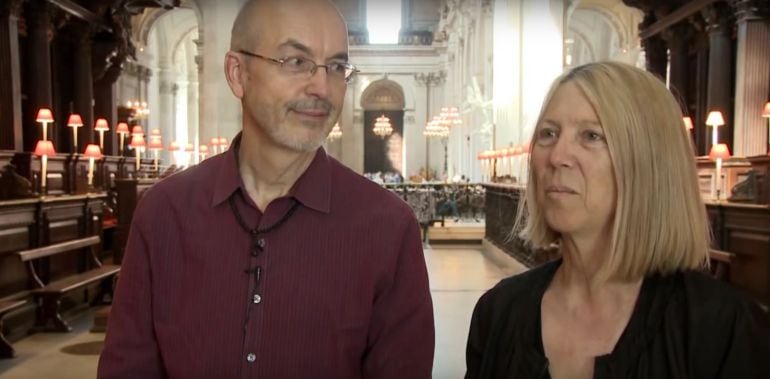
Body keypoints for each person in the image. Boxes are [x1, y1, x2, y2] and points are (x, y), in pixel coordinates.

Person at [97, 1, 434, 378]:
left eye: (337, 67)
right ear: (238, 73)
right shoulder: (164, 213)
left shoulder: (389, 228)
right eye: (295, 61)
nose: (322, 86)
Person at [465, 62, 770, 379]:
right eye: (548, 133)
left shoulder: (720, 328)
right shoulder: (498, 311)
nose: (556, 156)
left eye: (591, 135)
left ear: (649, 161)